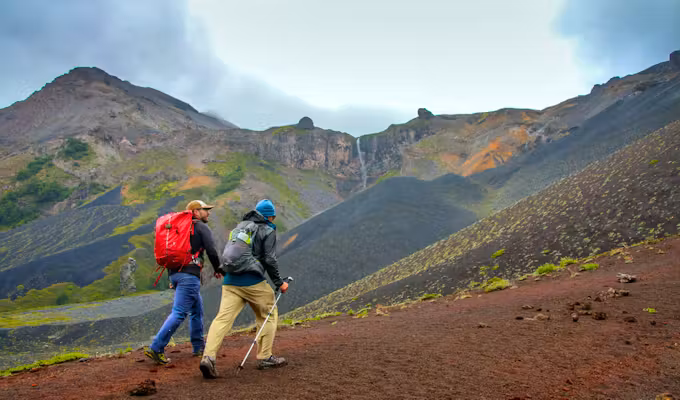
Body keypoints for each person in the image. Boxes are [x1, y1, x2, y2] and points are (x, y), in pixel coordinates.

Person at [200, 199, 289, 378]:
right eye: (272, 217)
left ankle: (208, 357)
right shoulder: (267, 229)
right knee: (268, 314)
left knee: (222, 319)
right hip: (252, 281)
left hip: (230, 281)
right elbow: (269, 259)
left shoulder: (240, 227)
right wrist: (279, 283)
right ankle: (265, 357)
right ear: (269, 216)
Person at [145, 200, 222, 365]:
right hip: (189, 276)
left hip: (176, 274)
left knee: (197, 310)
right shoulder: (200, 227)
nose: (208, 213)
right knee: (179, 312)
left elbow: (171, 253)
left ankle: (198, 347)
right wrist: (218, 269)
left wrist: (172, 278)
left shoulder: (179, 230)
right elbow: (211, 250)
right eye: (205, 210)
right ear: (195, 212)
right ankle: (156, 347)